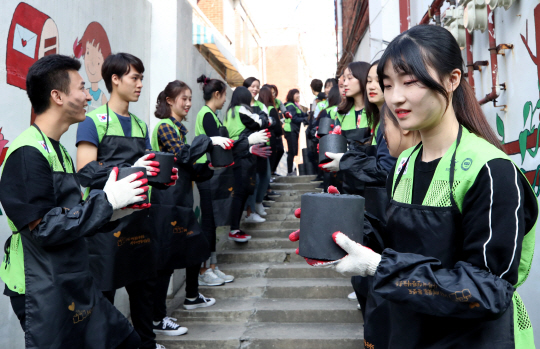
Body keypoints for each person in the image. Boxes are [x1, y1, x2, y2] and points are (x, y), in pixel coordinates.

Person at [320, 24, 538, 348]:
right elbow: (400, 240)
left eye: (410, 82)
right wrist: (343, 228)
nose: (395, 98)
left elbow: (487, 290)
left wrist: (381, 267)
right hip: (410, 332)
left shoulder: (491, 170)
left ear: (452, 80)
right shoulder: (405, 163)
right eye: (388, 84)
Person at [0, 54, 145, 348]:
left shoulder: (61, 152)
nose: (88, 95)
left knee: (126, 340)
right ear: (57, 95)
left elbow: (72, 215)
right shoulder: (27, 153)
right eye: (81, 88)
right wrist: (107, 201)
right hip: (41, 285)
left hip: (72, 277)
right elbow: (45, 229)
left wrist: (113, 211)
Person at [76, 53, 177, 349]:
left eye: (141, 78)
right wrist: (131, 172)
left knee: (144, 290)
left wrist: (163, 177)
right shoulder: (92, 121)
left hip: (139, 219)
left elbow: (149, 166)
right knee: (104, 292)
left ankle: (147, 343)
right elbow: (85, 171)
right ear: (115, 80)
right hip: (104, 223)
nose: (140, 84)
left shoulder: (141, 125)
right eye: (134, 77)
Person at [149, 79, 234, 337]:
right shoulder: (165, 127)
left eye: (189, 99)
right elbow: (183, 155)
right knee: (164, 263)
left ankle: (192, 296)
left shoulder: (178, 129)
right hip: (164, 202)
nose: (187, 104)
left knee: (194, 247)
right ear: (169, 101)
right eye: (182, 99)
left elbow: (186, 165)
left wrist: (212, 168)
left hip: (179, 201)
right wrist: (209, 141)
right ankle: (157, 318)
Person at [193, 75, 237, 286]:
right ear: (217, 94)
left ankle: (212, 266)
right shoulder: (206, 115)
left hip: (212, 173)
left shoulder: (212, 114)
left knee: (212, 222)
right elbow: (215, 145)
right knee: (208, 223)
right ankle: (203, 270)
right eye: (224, 95)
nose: (225, 99)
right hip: (205, 172)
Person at [223, 87, 270, 242]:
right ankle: (234, 229)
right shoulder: (242, 110)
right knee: (240, 193)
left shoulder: (229, 113)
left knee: (239, 192)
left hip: (234, 153)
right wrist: (264, 113)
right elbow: (259, 123)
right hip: (244, 154)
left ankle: (235, 228)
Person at [243, 77, 271, 222]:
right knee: (253, 178)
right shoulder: (241, 106)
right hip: (248, 145)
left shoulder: (261, 105)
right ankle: (250, 209)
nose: (255, 89)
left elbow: (267, 121)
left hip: (262, 143)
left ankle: (259, 202)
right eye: (252, 86)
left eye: (257, 87)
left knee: (264, 175)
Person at [283, 88, 307, 176]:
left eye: (298, 93)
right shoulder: (290, 105)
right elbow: (294, 118)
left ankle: (291, 170)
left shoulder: (295, 105)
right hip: (290, 130)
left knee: (293, 151)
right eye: (296, 94)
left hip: (293, 130)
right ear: (291, 95)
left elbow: (302, 114)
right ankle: (290, 171)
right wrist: (305, 119)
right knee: (291, 151)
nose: (298, 95)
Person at [262, 84, 285, 177]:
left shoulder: (277, 102)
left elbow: (285, 111)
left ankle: (271, 171)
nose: (274, 94)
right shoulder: (269, 107)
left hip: (270, 135)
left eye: (275, 92)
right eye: (272, 93)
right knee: (272, 153)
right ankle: (270, 173)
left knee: (279, 151)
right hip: (271, 135)